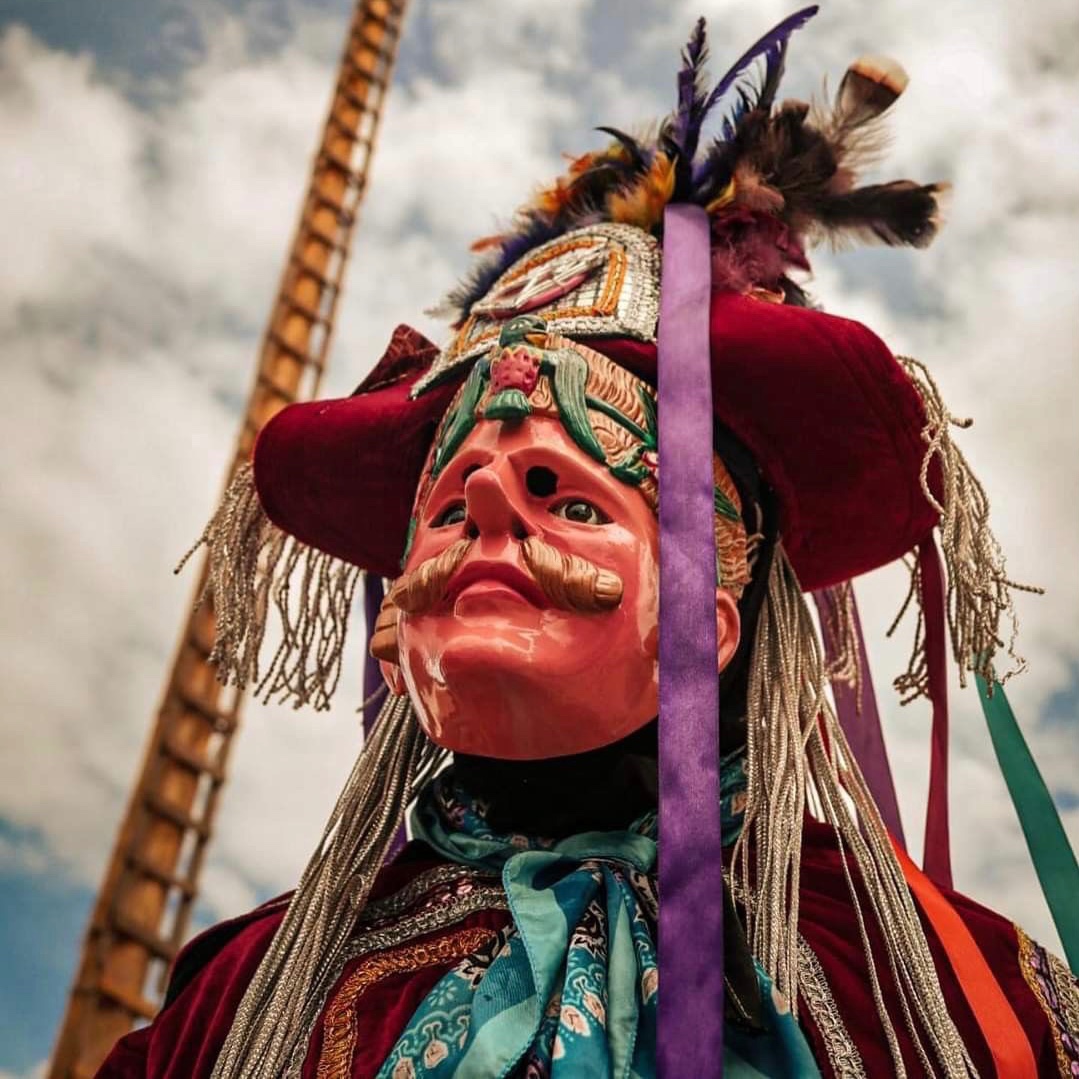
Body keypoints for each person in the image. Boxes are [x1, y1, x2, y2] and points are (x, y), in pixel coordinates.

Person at [98, 9, 1079, 1078]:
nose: (484, 508)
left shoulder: (957, 993)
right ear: (389, 625)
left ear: (717, 607)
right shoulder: (236, 1006)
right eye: (447, 503)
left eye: (563, 498)